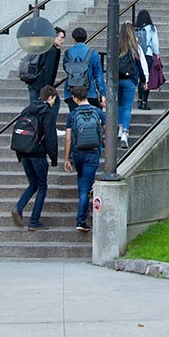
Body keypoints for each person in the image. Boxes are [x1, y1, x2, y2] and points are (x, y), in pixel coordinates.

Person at [10, 85, 59, 231]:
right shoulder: (47, 112)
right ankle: (34, 221)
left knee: (33, 183)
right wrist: (54, 158)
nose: (53, 102)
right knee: (42, 186)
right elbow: (50, 137)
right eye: (54, 99)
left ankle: (18, 207)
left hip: (23, 151)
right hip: (37, 153)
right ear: (50, 97)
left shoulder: (28, 109)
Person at [63, 86, 104, 234]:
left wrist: (66, 158)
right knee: (87, 183)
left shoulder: (73, 115)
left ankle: (82, 214)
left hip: (78, 152)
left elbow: (68, 139)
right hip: (93, 152)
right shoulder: (98, 112)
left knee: (81, 180)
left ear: (74, 98)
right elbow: (105, 129)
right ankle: (82, 216)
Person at [115, 22, 148, 149]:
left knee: (120, 104)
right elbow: (141, 66)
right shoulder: (135, 47)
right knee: (128, 106)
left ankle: (119, 128)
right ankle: (125, 133)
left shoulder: (116, 46)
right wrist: (144, 80)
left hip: (117, 79)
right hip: (130, 80)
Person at [62, 26, 105, 110]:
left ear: (73, 38)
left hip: (71, 92)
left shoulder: (67, 53)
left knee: (74, 117)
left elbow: (65, 68)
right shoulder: (93, 53)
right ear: (85, 38)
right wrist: (102, 93)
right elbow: (98, 75)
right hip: (89, 92)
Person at [33, 26, 66, 110]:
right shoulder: (52, 50)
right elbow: (49, 69)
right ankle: (49, 122)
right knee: (55, 102)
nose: (63, 40)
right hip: (42, 83)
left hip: (34, 80)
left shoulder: (44, 46)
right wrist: (48, 88)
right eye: (61, 37)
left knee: (35, 106)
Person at [134, 10, 159, 110]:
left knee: (141, 79)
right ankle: (145, 101)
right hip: (147, 54)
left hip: (138, 55)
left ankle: (139, 99)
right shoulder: (152, 28)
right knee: (146, 79)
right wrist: (157, 53)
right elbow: (155, 42)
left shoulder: (135, 28)